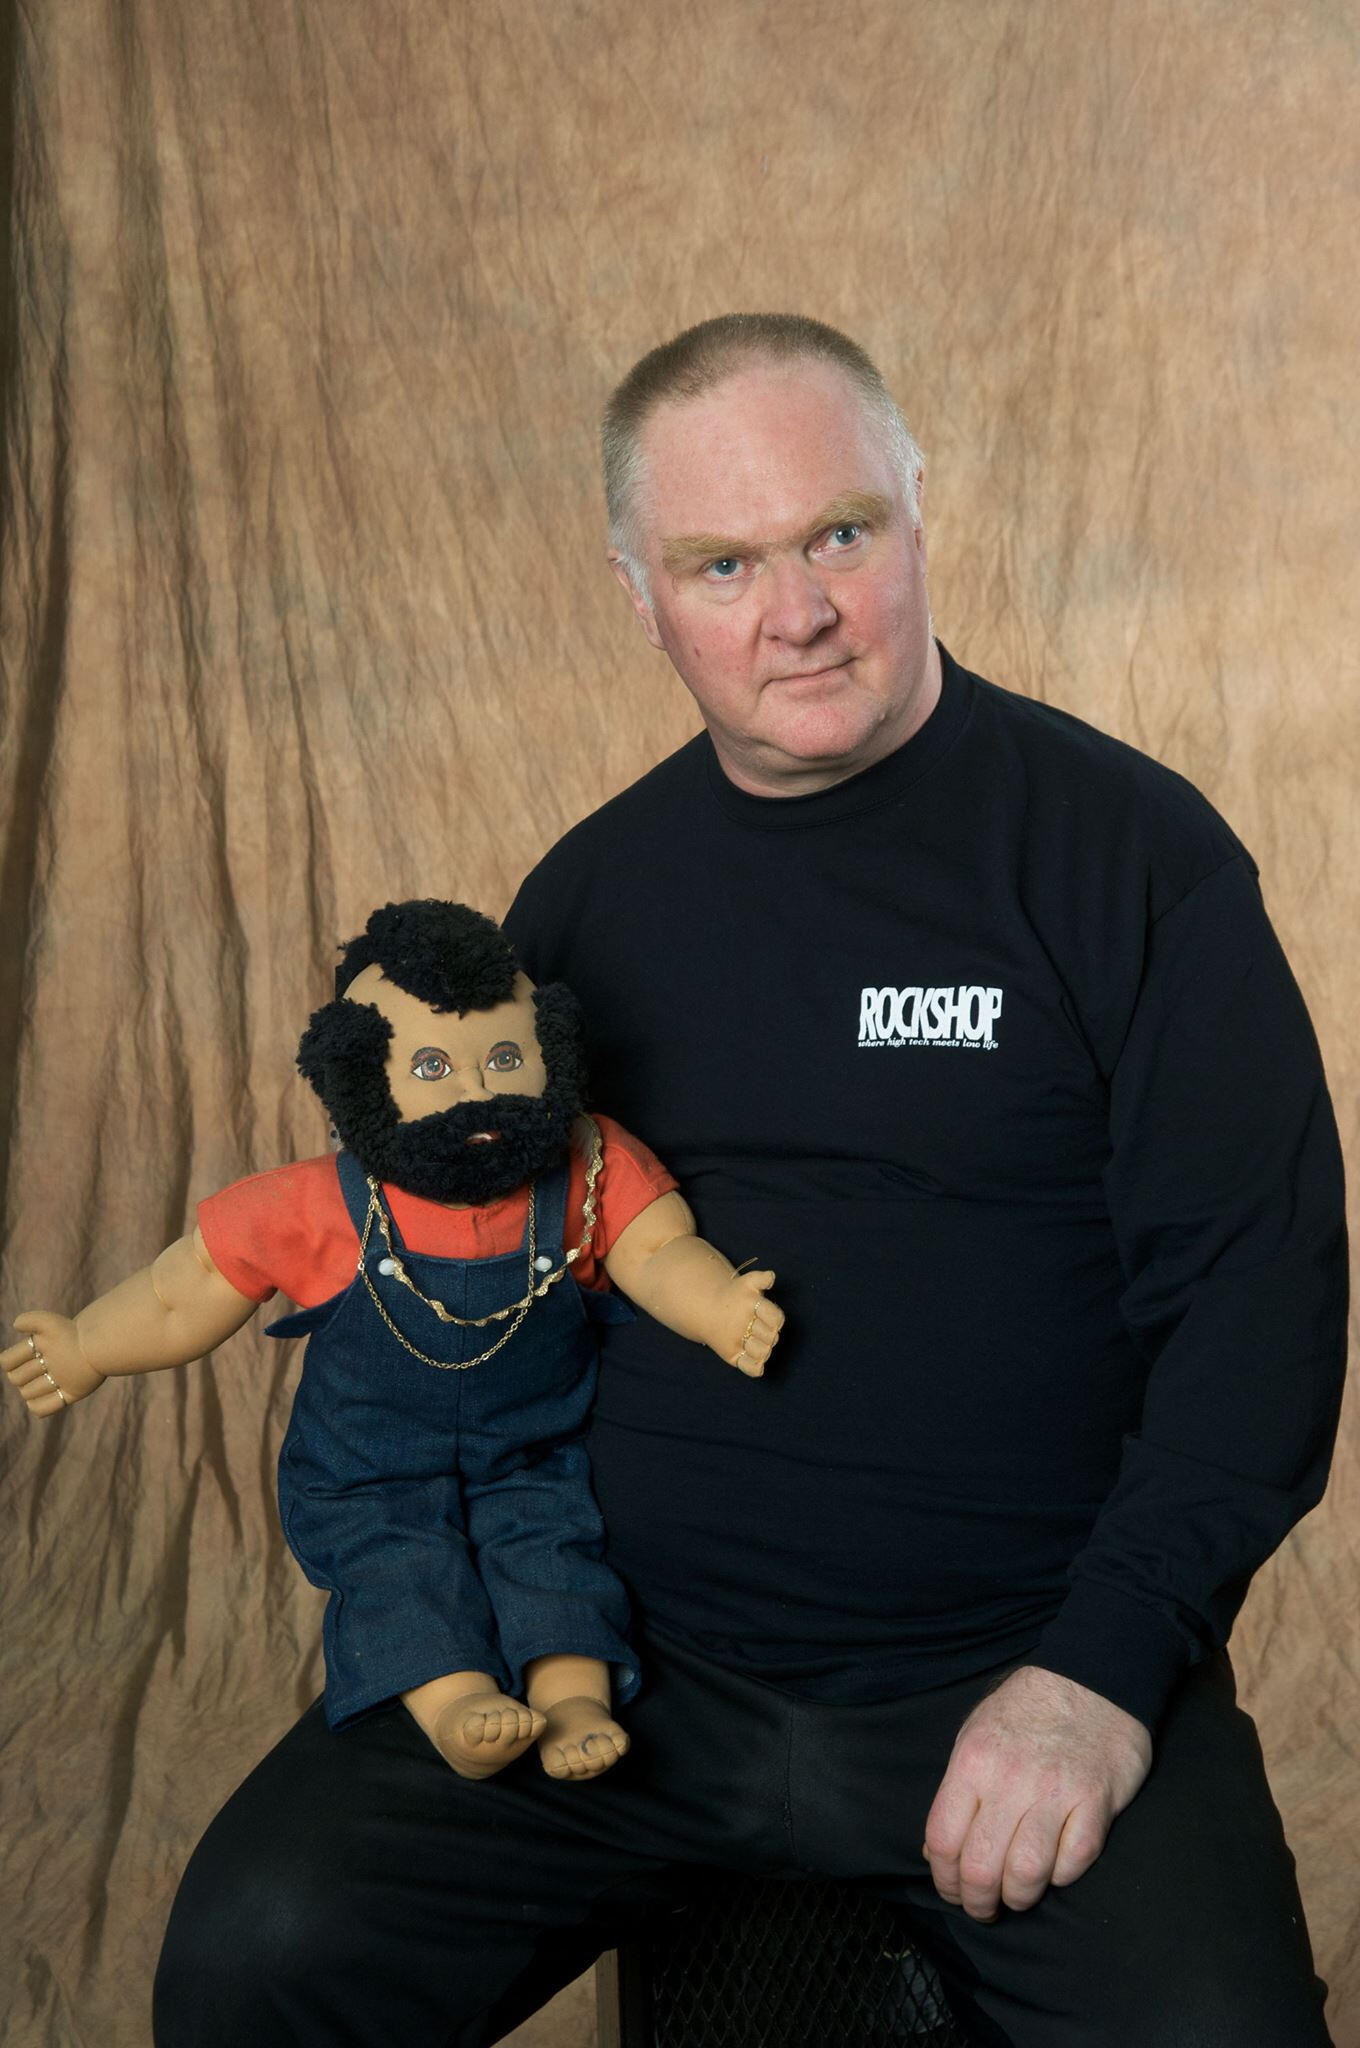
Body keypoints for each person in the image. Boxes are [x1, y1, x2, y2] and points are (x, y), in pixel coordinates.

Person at [150, 315, 1347, 2046]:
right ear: (641, 596)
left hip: (1021, 1660)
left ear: (919, 515)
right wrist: (460, 1601)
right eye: (723, 563)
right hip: (622, 1671)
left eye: (838, 534)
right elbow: (474, 1297)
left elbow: (1260, 1305)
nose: (798, 613)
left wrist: (1101, 1673)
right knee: (256, 1950)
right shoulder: (588, 906)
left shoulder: (1133, 861)